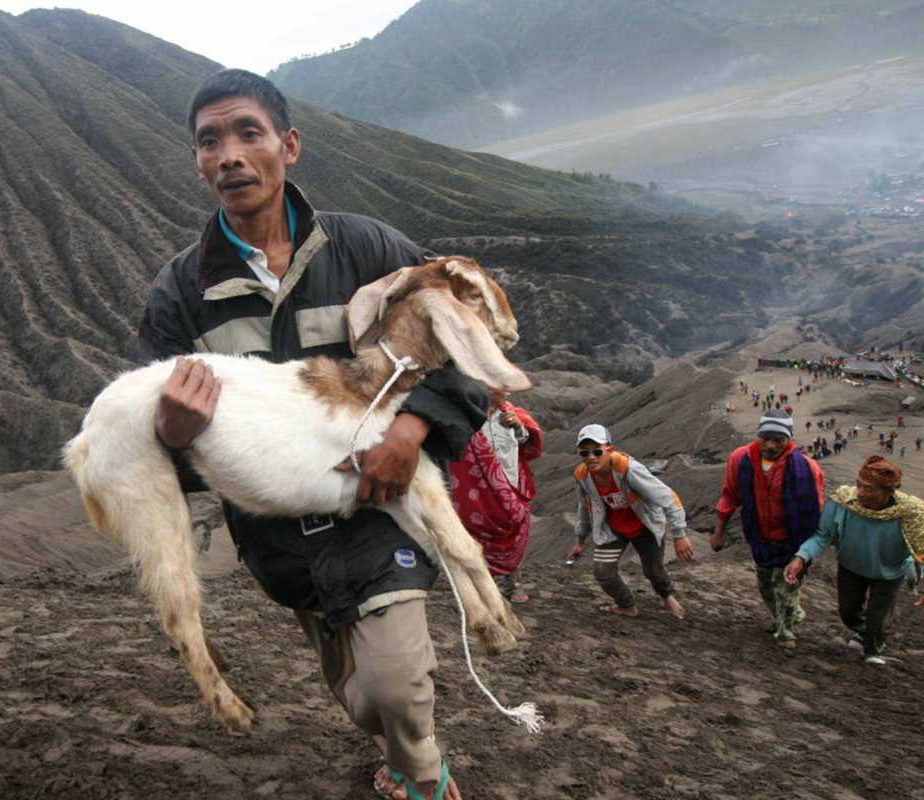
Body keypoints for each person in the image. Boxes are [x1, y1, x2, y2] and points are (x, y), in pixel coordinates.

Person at [138, 70, 485, 800]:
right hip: (281, 541)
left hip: (380, 506)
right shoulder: (179, 294)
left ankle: (422, 778)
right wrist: (173, 434)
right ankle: (396, 744)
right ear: (198, 162)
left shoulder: (366, 251)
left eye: (247, 134)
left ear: (287, 146)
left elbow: (464, 351)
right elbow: (177, 447)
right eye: (210, 142)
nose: (229, 154)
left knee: (393, 689)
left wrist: (415, 428)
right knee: (365, 704)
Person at [784, 457, 924, 665]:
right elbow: (823, 535)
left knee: (879, 616)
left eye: (868, 488)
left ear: (888, 492)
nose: (859, 492)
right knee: (848, 611)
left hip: (890, 571)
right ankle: (863, 631)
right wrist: (801, 557)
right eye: (858, 484)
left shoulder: (911, 513)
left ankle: (873, 651)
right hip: (852, 566)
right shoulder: (843, 503)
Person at [712, 409, 825, 650]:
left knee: (786, 586)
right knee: (765, 585)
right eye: (766, 438)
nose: (771, 445)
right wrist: (719, 530)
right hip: (759, 536)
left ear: (789, 439)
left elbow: (815, 510)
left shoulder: (807, 469)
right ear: (758, 435)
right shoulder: (741, 460)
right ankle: (787, 615)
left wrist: (806, 552)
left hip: (793, 539)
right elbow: (730, 495)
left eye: (778, 439)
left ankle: (786, 633)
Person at [566, 424, 693, 619]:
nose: (591, 457)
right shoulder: (582, 476)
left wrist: (679, 534)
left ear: (609, 449)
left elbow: (668, 497)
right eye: (585, 452)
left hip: (645, 526)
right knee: (603, 572)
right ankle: (627, 605)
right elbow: (585, 507)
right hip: (612, 528)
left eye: (597, 451)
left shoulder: (627, 469)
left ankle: (666, 596)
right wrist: (580, 540)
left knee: (654, 572)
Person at [450, 392, 543, 604]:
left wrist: (519, 427)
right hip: (478, 491)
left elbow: (526, 443)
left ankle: (513, 584)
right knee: (480, 536)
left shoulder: (511, 413)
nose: (507, 392)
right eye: (501, 388)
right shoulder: (468, 416)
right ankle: (483, 587)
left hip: (510, 487)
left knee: (512, 534)